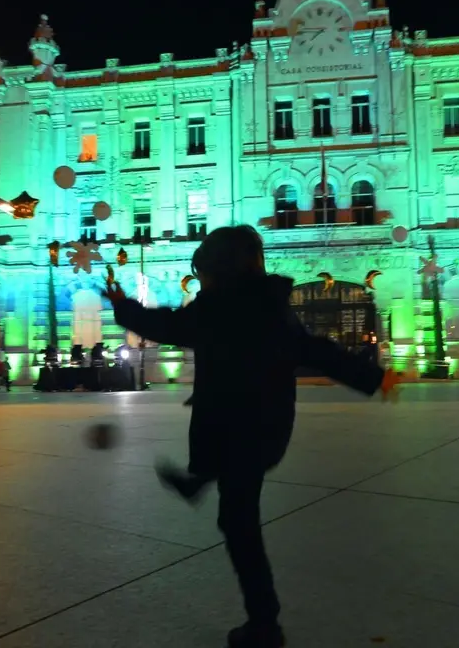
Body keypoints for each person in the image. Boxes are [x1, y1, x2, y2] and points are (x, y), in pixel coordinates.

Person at [104, 225, 399, 648]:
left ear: (217, 270)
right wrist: (374, 376)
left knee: (238, 521)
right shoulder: (270, 305)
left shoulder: (216, 307)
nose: (201, 281)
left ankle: (265, 623)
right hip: (266, 426)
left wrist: (123, 307)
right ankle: (197, 480)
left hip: (233, 425)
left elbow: (167, 325)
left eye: (202, 273)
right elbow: (315, 350)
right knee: (229, 490)